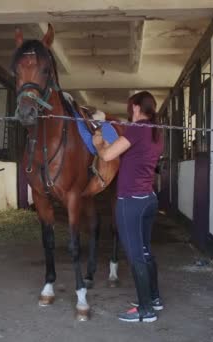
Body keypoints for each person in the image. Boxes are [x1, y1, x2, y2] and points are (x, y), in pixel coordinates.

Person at [92, 91, 164, 323]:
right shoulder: (155, 131)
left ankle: (145, 311)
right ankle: (153, 299)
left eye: (129, 107)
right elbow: (126, 152)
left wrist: (98, 143)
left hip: (131, 201)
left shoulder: (137, 128)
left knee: (135, 256)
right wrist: (108, 142)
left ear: (134, 107)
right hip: (149, 199)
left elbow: (107, 156)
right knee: (144, 251)